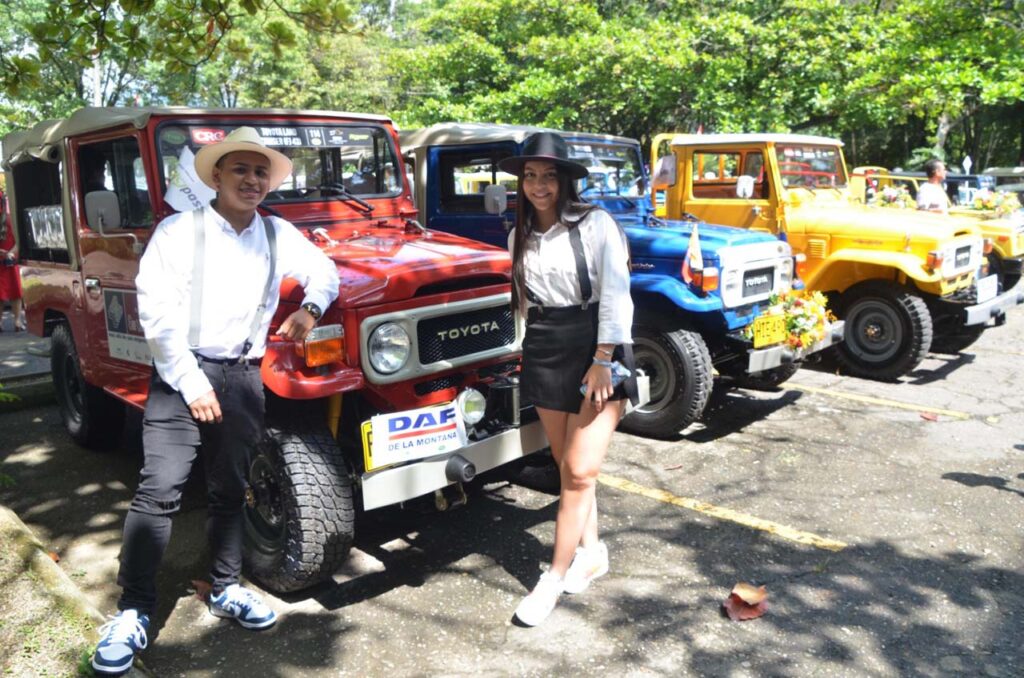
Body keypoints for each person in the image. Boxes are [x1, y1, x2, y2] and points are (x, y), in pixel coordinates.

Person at [92, 127, 340, 675]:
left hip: (245, 376)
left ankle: (225, 587)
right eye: (241, 171)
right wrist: (191, 381)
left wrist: (312, 310)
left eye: (261, 173)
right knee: (159, 491)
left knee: (232, 489)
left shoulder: (277, 233)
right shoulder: (180, 232)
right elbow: (155, 312)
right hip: (183, 374)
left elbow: (325, 271)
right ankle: (133, 610)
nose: (252, 181)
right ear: (217, 177)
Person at [499, 133, 634, 627]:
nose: (538, 185)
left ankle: (551, 580)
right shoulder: (519, 236)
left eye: (548, 175)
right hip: (545, 345)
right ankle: (592, 550)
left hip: (594, 343)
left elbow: (618, 293)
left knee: (579, 471)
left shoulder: (595, 223)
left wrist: (603, 357)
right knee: (566, 467)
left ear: (565, 179)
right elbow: (526, 307)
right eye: (530, 176)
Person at [0, 189, 25, 331]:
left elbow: (18, 241)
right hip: (9, 260)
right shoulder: (10, 219)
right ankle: (17, 321)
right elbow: (18, 242)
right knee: (14, 293)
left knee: (14, 293)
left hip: (9, 261)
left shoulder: (10, 220)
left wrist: (9, 253)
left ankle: (16, 321)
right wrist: (10, 253)